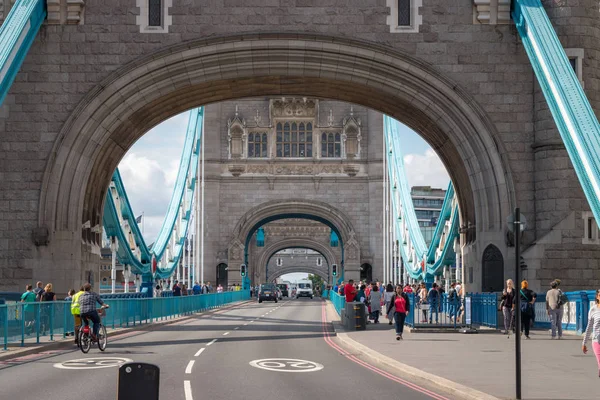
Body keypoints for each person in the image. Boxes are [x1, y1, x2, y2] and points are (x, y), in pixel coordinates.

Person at [582, 289, 600, 377]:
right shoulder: (593, 310)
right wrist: (584, 343)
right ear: (597, 297)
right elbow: (589, 327)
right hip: (597, 340)